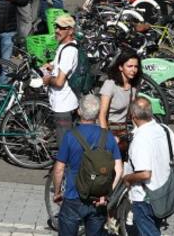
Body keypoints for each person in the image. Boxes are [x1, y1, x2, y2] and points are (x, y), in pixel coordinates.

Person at [50, 94, 122, 236]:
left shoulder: (70, 136)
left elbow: (59, 170)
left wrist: (58, 192)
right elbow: (118, 170)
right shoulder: (107, 136)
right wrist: (106, 194)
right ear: (97, 113)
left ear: (79, 111)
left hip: (73, 197)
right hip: (98, 199)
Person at [124, 97, 174, 236]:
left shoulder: (140, 139)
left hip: (145, 198)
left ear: (133, 116)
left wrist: (127, 178)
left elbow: (145, 174)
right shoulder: (165, 130)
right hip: (166, 191)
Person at [42, 14, 80, 136]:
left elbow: (59, 82)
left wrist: (48, 79)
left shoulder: (69, 51)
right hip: (62, 102)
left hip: (63, 105)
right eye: (56, 26)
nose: (57, 30)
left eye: (61, 28)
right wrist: (52, 66)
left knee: (64, 142)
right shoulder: (64, 46)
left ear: (70, 31)